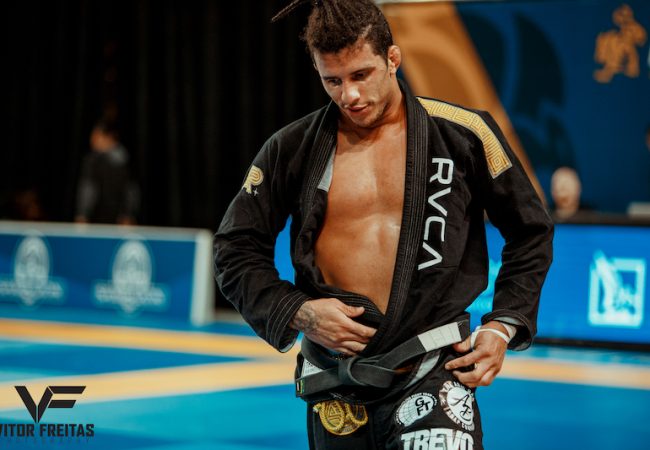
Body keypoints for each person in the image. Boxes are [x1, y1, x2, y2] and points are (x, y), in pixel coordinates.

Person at [214, 1, 553, 449]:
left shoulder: (464, 133)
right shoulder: (291, 148)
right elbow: (234, 249)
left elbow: (531, 231)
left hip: (434, 367)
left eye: (361, 74)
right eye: (332, 80)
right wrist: (299, 311)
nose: (349, 95)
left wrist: (502, 325)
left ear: (393, 58)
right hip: (336, 376)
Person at [74, 119, 139, 225]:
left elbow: (131, 189)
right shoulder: (92, 160)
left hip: (119, 220)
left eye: (97, 136)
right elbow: (88, 188)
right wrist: (83, 214)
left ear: (109, 137)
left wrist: (128, 214)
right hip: (96, 218)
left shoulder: (125, 160)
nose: (92, 140)